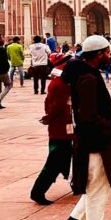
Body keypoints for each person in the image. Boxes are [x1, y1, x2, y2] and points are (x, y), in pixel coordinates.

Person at [62, 35, 111, 220]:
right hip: (95, 141)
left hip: (91, 139)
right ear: (98, 54)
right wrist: (107, 128)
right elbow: (88, 115)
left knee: (95, 183)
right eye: (106, 52)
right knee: (98, 185)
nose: (109, 55)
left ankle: (75, 218)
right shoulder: (88, 78)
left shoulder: (87, 73)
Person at [30, 54, 73, 205]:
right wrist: (49, 117)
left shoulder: (58, 82)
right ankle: (37, 191)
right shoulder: (62, 83)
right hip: (62, 128)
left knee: (67, 157)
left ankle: (77, 184)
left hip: (62, 126)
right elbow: (58, 106)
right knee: (55, 161)